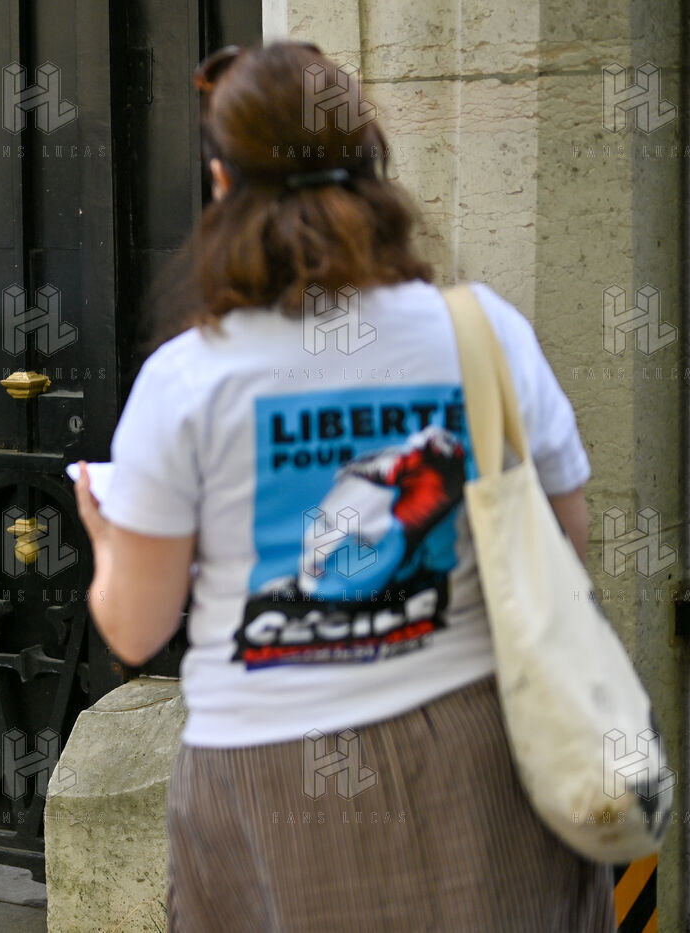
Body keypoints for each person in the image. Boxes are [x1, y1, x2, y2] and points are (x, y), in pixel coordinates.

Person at [73, 42, 611, 933]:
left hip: (270, 774)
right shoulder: (484, 333)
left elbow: (135, 627)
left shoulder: (188, 378)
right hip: (483, 752)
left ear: (222, 182)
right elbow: (566, 548)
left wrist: (104, 535)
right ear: (372, 167)